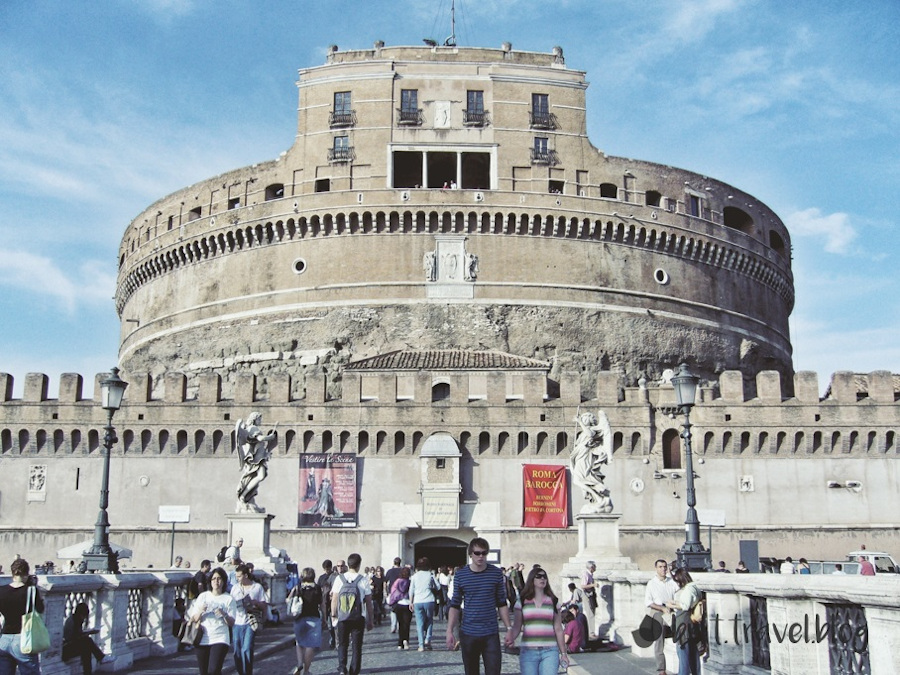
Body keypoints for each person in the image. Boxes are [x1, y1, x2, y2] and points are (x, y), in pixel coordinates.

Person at [446, 537, 511, 675]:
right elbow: (455, 605)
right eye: (477, 553)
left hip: (491, 633)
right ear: (470, 554)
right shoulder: (461, 575)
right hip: (469, 633)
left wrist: (509, 628)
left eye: (484, 553)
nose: (481, 556)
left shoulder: (496, 573)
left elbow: (502, 603)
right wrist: (449, 630)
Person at [505, 567, 569, 675]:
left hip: (550, 651)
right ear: (532, 580)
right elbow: (517, 626)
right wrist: (511, 638)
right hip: (528, 651)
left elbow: (558, 629)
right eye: (538, 576)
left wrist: (563, 653)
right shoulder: (522, 601)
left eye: (544, 577)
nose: (542, 579)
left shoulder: (553, 601)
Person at [330, 553, 374, 675]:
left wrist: (334, 615)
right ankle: (354, 671)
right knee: (356, 647)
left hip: (342, 617)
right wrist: (370, 620)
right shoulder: (363, 580)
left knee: (342, 644)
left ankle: (342, 667)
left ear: (348, 564)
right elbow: (369, 602)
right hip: (358, 617)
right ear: (359, 564)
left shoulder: (340, 579)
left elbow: (334, 599)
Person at [187, 567, 237, 675]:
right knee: (204, 672)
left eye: (219, 579)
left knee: (213, 670)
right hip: (202, 637)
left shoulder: (229, 599)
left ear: (224, 581)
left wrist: (224, 614)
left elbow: (232, 622)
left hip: (220, 637)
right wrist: (201, 611)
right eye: (214, 579)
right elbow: (193, 618)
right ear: (210, 581)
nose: (216, 581)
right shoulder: (203, 596)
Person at [0, 558, 44, 674]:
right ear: (26, 574)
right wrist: (34, 587)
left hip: (3, 639)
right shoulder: (31, 591)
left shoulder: (1, 591)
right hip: (23, 639)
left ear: (13, 573)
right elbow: (40, 609)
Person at [234, 412, 278, 512]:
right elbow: (259, 438)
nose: (260, 421)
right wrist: (269, 437)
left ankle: (247, 497)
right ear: (254, 419)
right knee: (260, 476)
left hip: (260, 456)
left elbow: (257, 443)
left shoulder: (251, 428)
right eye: (259, 419)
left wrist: (266, 453)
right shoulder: (253, 428)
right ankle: (243, 496)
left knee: (259, 477)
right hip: (256, 459)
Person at [230, 563, 267, 675]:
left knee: (246, 648)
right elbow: (230, 604)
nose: (237, 579)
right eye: (236, 577)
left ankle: (247, 673)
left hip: (250, 621)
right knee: (236, 651)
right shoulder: (235, 588)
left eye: (239, 576)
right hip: (237, 622)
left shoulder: (257, 587)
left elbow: (264, 605)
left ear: (246, 575)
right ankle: (241, 672)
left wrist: (254, 603)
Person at [666, 568, 703, 675]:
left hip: (683, 623)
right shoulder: (696, 588)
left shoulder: (688, 589)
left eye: (678, 581)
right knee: (692, 654)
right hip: (691, 624)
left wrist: (671, 604)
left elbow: (685, 606)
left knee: (683, 654)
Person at [645, 559, 678, 675]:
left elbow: (677, 595)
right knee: (659, 641)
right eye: (660, 567)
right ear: (656, 568)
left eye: (664, 567)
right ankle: (661, 669)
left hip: (671, 610)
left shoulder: (672, 582)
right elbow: (648, 602)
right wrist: (662, 608)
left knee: (682, 632)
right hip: (658, 611)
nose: (663, 569)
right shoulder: (651, 583)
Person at [287, 567, 322, 675]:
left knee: (299, 642)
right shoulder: (317, 588)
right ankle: (306, 670)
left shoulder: (298, 588)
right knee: (310, 645)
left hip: (299, 618)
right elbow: (321, 604)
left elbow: (288, 600)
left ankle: (299, 663)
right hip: (314, 618)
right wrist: (324, 618)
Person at [63, 602, 108, 674]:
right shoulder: (74, 621)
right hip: (66, 649)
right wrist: (88, 633)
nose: (84, 618)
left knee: (87, 647)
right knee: (88, 642)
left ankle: (89, 671)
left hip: (70, 646)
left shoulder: (74, 619)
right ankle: (100, 658)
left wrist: (87, 633)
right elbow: (73, 638)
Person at [409, 557, 438, 651]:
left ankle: (421, 645)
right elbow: (438, 587)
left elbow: (411, 590)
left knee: (419, 624)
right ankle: (428, 639)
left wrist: (410, 602)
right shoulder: (431, 575)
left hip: (417, 601)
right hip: (429, 600)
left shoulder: (414, 576)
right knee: (429, 621)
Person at [388, 567, 412, 649]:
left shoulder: (397, 581)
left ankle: (400, 642)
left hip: (399, 604)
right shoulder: (410, 582)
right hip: (408, 604)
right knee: (407, 624)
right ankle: (406, 640)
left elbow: (393, 591)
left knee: (401, 624)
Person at [316, 560, 336, 649]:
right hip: (323, 604)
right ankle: (317, 643)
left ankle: (333, 640)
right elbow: (318, 590)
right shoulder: (321, 578)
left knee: (331, 625)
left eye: (328, 569)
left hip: (332, 603)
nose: (326, 571)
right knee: (321, 624)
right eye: (325, 569)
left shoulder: (335, 577)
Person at [383, 557, 403, 634]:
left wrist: (385, 591)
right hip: (401, 593)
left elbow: (385, 582)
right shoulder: (402, 571)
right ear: (400, 563)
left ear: (393, 563)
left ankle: (393, 626)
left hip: (392, 593)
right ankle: (399, 626)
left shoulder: (390, 571)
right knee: (400, 610)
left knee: (393, 610)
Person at [580, 561, 598, 638]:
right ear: (591, 567)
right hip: (587, 595)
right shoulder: (586, 574)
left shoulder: (590, 574)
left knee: (592, 612)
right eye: (594, 566)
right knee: (590, 613)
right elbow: (583, 586)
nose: (595, 568)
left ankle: (592, 631)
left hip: (591, 595)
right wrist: (593, 585)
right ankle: (591, 632)